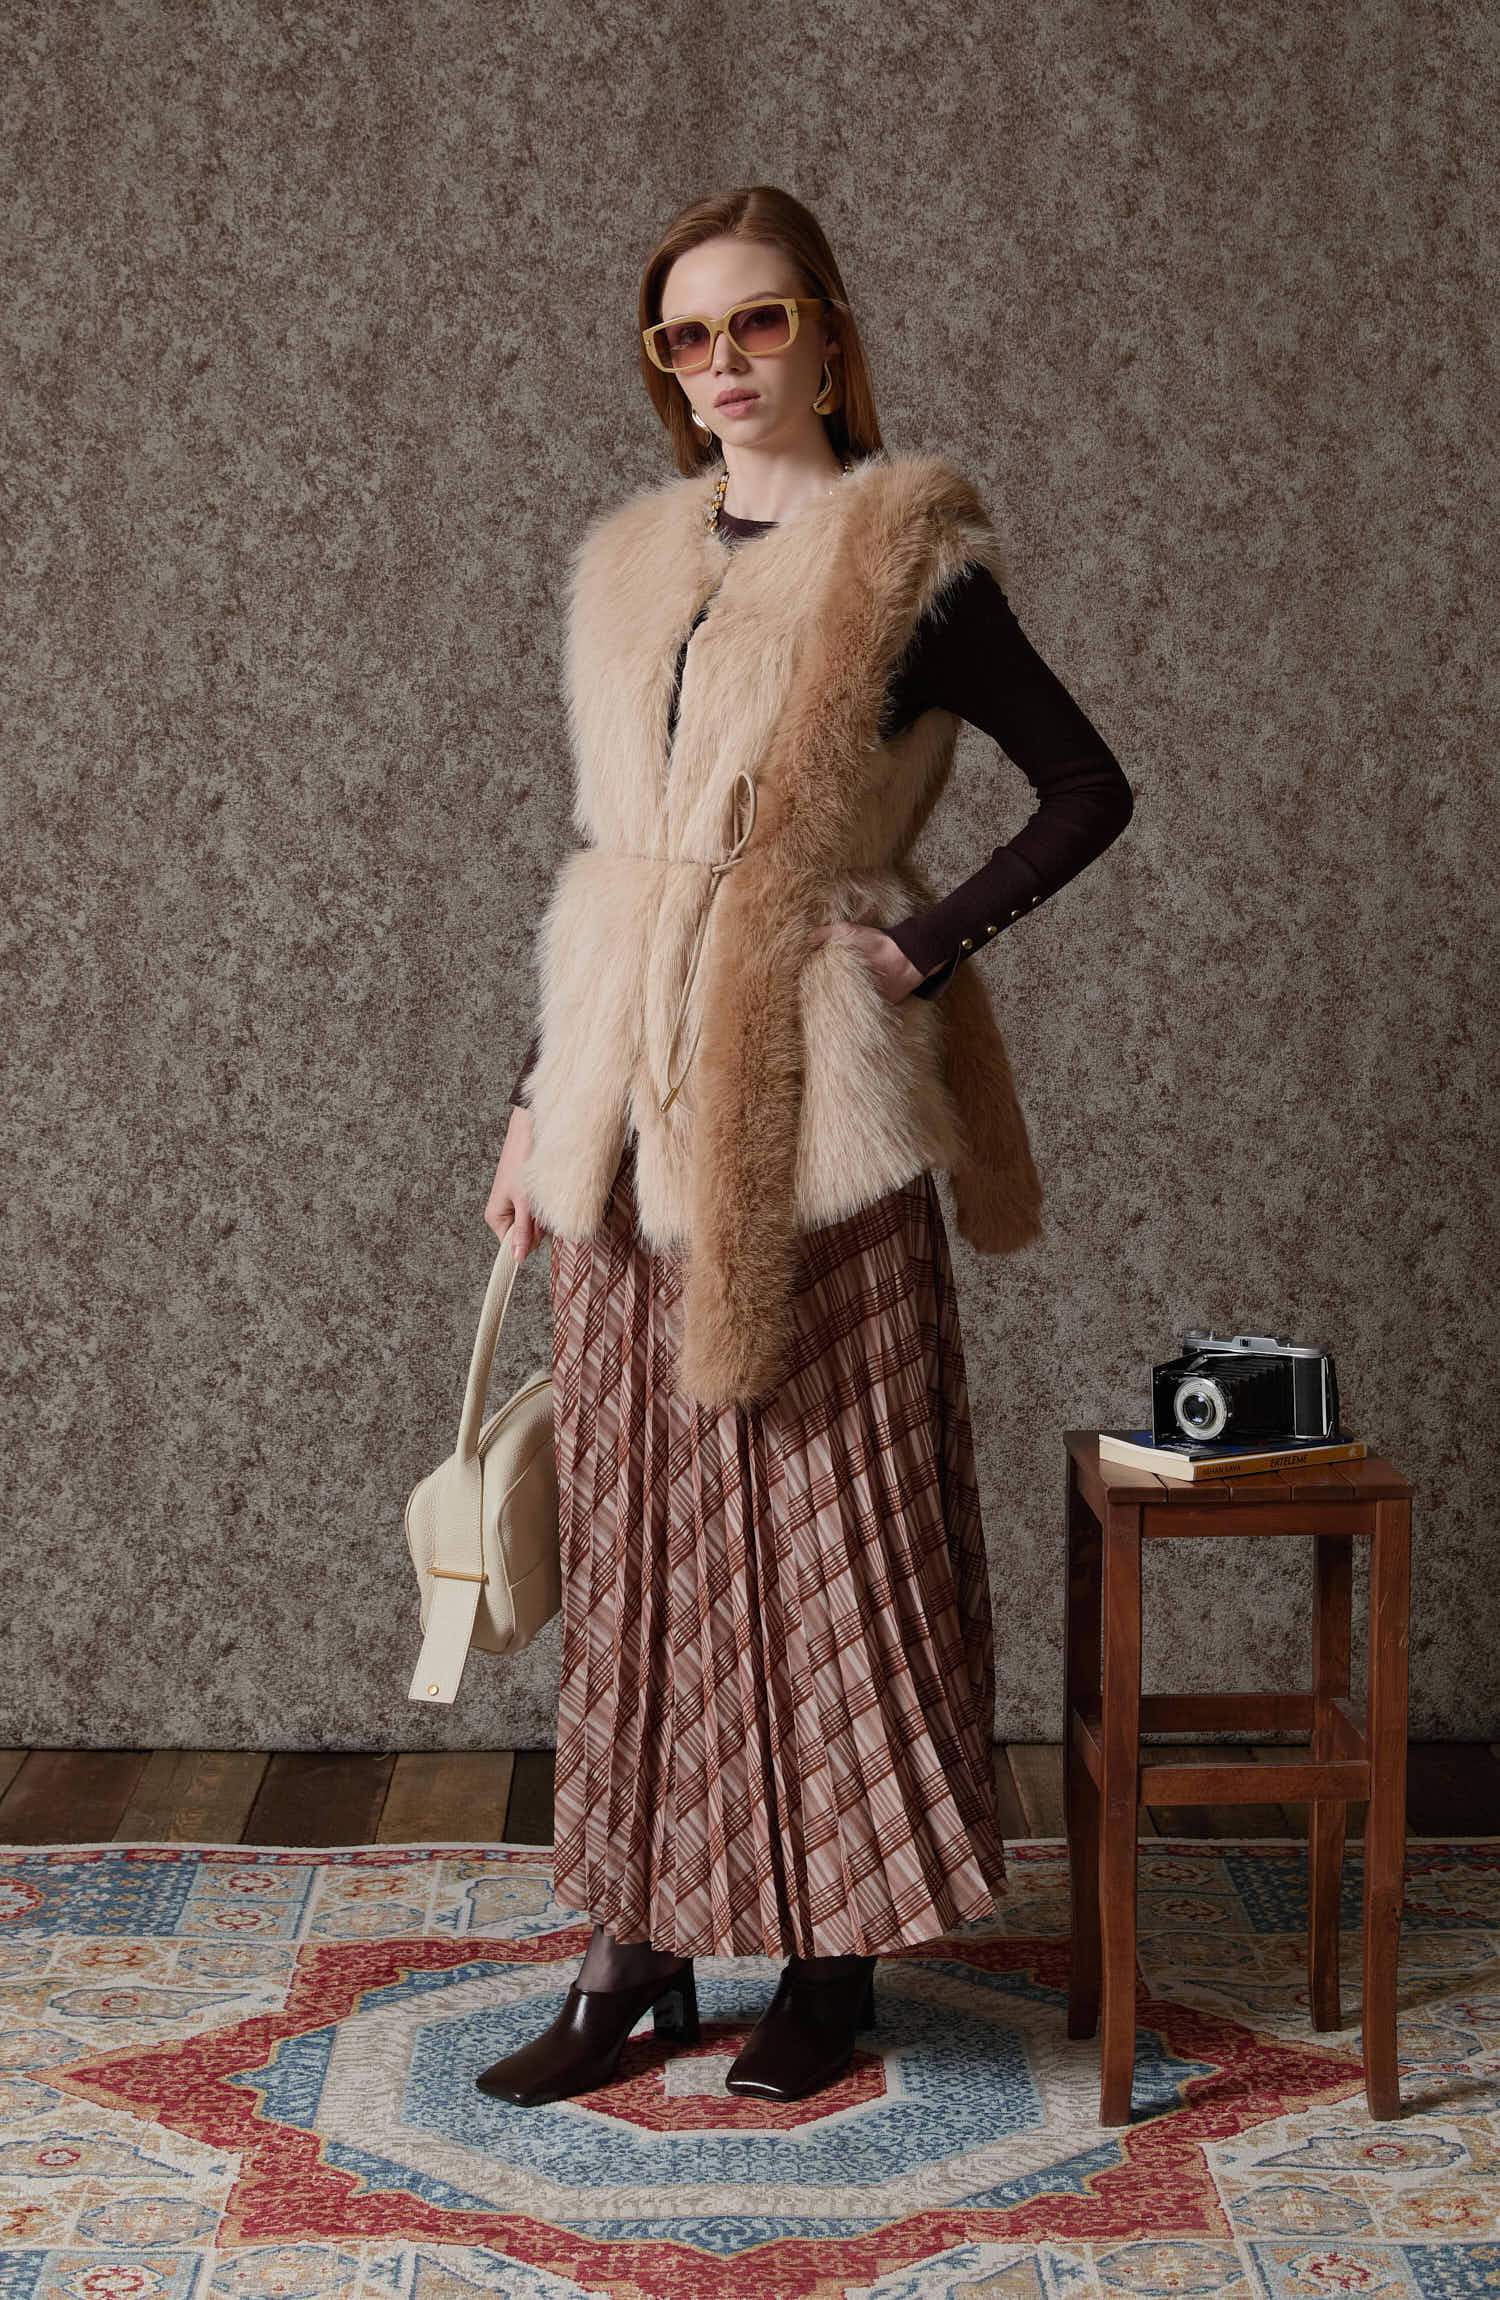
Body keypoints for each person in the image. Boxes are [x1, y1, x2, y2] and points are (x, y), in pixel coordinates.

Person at [474, 185, 1133, 2110]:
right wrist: (532, 1100)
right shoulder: (632, 564)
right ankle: (635, 1954)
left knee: (827, 1525)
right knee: (644, 1544)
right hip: (628, 1096)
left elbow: (1086, 787)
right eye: (687, 337)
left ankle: (832, 1964)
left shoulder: (907, 556)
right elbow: (623, 870)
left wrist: (919, 944)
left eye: (758, 323)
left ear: (829, 333)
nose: (724, 364)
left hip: (813, 1117)